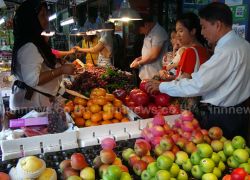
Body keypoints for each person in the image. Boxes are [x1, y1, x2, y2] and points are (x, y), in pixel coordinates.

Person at [145, 2, 250, 140]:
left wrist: (162, 86)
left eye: (204, 27)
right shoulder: (244, 45)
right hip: (239, 113)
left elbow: (198, 84)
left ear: (217, 25)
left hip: (222, 116)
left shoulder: (226, 51)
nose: (202, 32)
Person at [10, 0, 76, 110]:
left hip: (35, 102)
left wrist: (57, 63)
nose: (46, 20)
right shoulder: (29, 46)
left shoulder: (34, 40)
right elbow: (33, 80)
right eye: (42, 15)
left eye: (46, 15)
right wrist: (61, 70)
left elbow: (39, 63)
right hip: (31, 106)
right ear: (30, 20)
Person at [160, 12, 209, 80]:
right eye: (177, 31)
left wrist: (160, 85)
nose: (177, 35)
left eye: (181, 31)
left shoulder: (190, 51)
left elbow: (182, 83)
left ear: (192, 31)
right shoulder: (203, 49)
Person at [130, 14, 168, 80]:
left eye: (140, 30)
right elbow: (148, 53)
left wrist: (138, 63)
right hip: (146, 75)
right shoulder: (149, 31)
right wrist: (138, 58)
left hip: (155, 74)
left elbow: (154, 55)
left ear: (146, 24)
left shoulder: (159, 32)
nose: (140, 33)